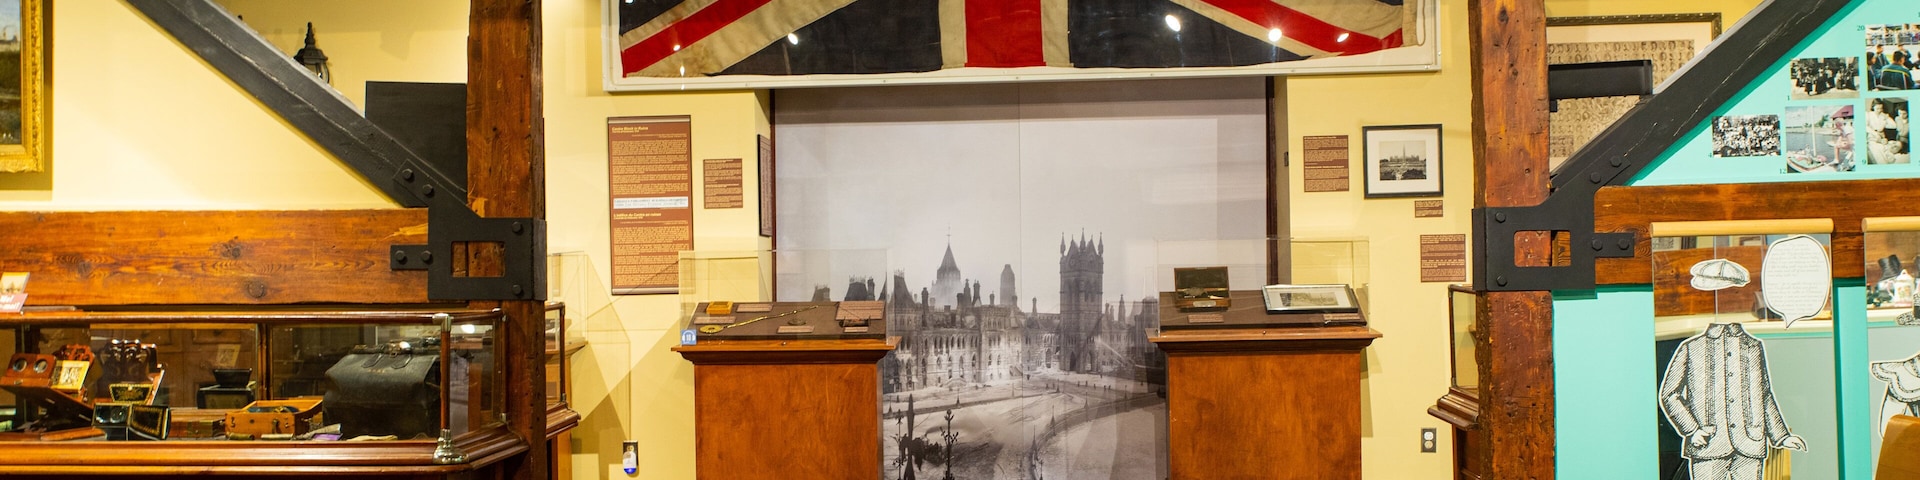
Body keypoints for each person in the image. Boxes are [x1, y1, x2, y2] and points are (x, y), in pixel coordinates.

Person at [1659, 322, 1806, 480]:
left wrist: (1782, 436)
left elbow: (1764, 395)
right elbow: (1669, 394)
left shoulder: (1753, 346)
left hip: (1750, 444)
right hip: (1708, 444)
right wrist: (1692, 430)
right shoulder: (1692, 346)